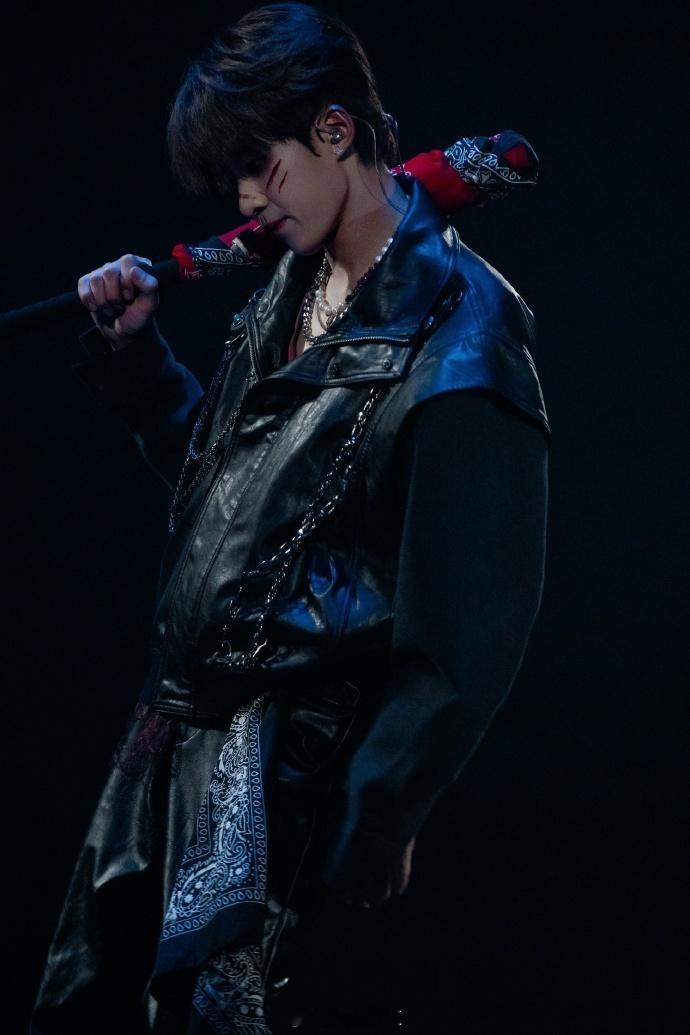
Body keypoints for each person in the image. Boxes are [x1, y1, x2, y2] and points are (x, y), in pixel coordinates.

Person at [31, 4, 550, 1033]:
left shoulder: (464, 341)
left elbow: (467, 630)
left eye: (258, 167)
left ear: (334, 130)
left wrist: (384, 805)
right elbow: (227, 501)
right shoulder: (288, 290)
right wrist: (137, 364)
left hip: (298, 792)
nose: (244, 201)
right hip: (171, 759)